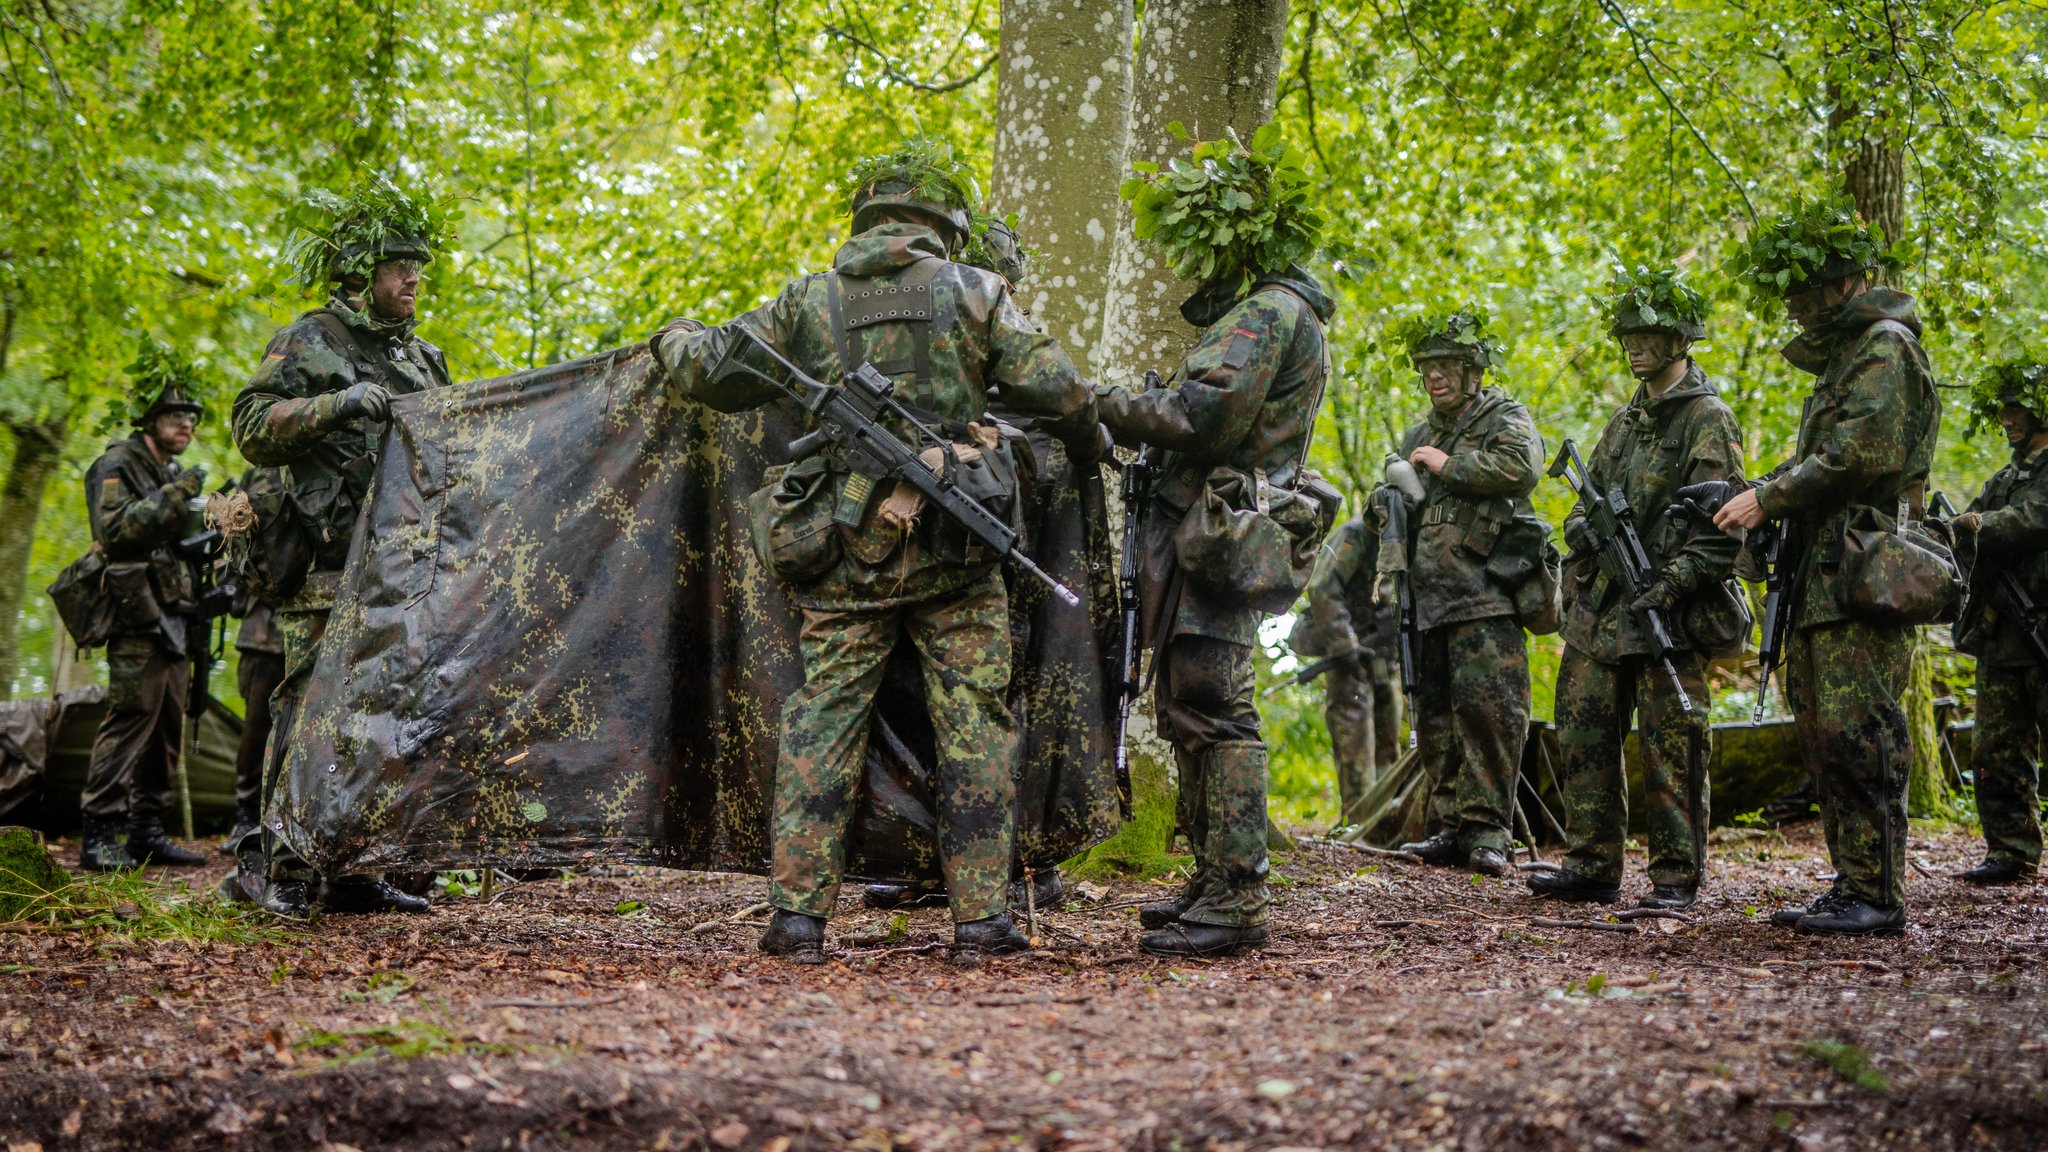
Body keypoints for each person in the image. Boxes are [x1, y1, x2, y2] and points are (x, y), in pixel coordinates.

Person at [649, 140, 1096, 965]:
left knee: (823, 720)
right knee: (975, 725)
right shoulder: (977, 292)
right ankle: (981, 924)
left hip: (844, 555)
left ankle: (797, 922)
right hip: (958, 551)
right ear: (946, 224)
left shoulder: (808, 303)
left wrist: (673, 334)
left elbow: (710, 369)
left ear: (868, 217)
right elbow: (1062, 391)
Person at [1100, 128, 1336, 957]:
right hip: (1201, 529)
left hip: (1216, 531)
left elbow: (1207, 415)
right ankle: (1212, 876)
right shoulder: (1266, 309)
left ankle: (1238, 896)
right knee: (1186, 706)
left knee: (1212, 702)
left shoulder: (1268, 311)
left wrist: (1108, 403)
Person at [226, 175, 453, 918]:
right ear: (359, 275)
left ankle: (354, 869)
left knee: (381, 713)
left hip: (399, 567)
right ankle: (281, 870)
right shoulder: (312, 339)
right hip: (326, 563)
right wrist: (336, 404)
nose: (414, 276)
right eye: (397, 265)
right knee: (306, 713)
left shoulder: (425, 359)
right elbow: (252, 426)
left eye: (418, 263)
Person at [1714, 198, 1939, 936]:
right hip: (1826, 574)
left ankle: (1878, 890)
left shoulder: (1883, 346)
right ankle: (1853, 883)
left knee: (1860, 733)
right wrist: (1760, 497)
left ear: (1842, 282)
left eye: (1807, 290)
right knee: (1822, 732)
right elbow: (1822, 457)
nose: (1798, 307)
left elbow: (1861, 454)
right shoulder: (1846, 356)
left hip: (1864, 570)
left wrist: (1768, 497)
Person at [1528, 266, 1744, 911]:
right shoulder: (1626, 421)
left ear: (1681, 338)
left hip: (1668, 613)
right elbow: (1581, 500)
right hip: (1600, 614)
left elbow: (1723, 523)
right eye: (1628, 334)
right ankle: (1591, 864)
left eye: (1648, 333)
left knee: (1673, 744)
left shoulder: (1708, 419)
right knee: (1583, 731)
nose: (1635, 345)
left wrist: (1672, 582)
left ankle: (1677, 876)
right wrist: (1584, 534)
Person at [1383, 309, 1545, 878]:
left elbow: (1523, 467)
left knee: (1490, 715)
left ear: (1473, 368)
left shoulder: (1504, 415)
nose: (1435, 377)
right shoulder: (1417, 434)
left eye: (1446, 365)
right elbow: (1393, 504)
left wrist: (1447, 463)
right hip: (1427, 599)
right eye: (1427, 367)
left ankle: (1488, 832)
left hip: (1485, 594)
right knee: (1435, 717)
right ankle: (1451, 826)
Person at [76, 340, 213, 872]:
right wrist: (180, 495)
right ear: (150, 420)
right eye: (176, 416)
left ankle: (145, 831)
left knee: (166, 728)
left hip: (174, 616)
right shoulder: (117, 463)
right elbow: (114, 530)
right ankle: (100, 832)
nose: (186, 427)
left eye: (192, 419)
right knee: (130, 719)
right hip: (136, 617)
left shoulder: (163, 471)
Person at [1949, 359, 2048, 884]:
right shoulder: (2004, 478)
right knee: (1994, 749)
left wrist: (1980, 524)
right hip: (2004, 634)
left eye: (2016, 410)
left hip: (2043, 626)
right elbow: (1967, 528)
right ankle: (2010, 850)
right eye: (2003, 410)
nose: (2007, 420)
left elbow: (2034, 519)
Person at [1292, 515, 1403, 824]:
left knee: (1389, 736)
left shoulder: (1405, 538)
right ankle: (1359, 821)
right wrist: (1345, 646)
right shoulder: (1356, 535)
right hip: (1351, 656)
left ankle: (1388, 821)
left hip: (1385, 655)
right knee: (1354, 738)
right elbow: (1323, 588)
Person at [220, 469, 287, 854]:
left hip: (312, 627)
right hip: (265, 634)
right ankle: (245, 816)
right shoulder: (264, 473)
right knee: (257, 729)